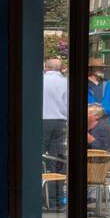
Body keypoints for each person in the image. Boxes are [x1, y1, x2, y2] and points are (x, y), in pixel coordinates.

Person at [43, 57, 69, 207]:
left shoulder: (39, 80)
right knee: (56, 160)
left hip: (42, 121)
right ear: (61, 68)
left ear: (46, 67)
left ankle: (42, 194)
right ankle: (54, 198)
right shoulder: (65, 82)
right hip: (60, 123)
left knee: (39, 158)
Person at [87, 58, 110, 127]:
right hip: (89, 121)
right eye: (98, 68)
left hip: (104, 121)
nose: (101, 69)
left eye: (102, 68)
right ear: (91, 68)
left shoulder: (106, 83)